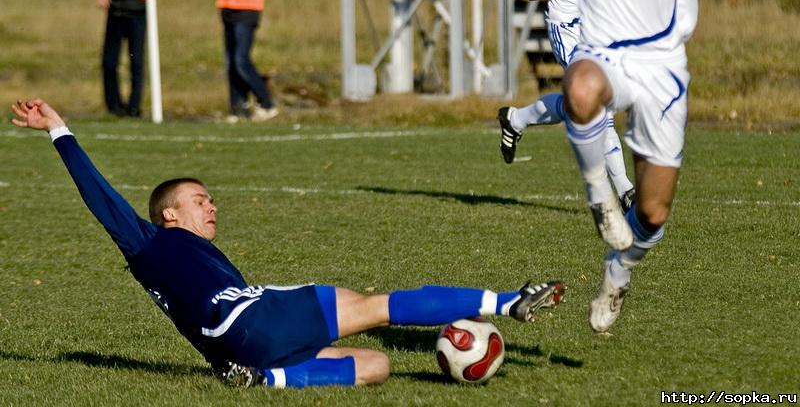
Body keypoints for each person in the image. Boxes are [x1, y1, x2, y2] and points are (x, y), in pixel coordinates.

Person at [10, 98, 565, 388]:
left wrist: (233, 359)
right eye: (199, 199)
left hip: (235, 347)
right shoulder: (151, 243)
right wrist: (60, 130)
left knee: (376, 367)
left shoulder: (182, 265)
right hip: (254, 320)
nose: (212, 205)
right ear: (169, 214)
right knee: (377, 306)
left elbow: (200, 325)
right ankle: (506, 303)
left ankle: (266, 378)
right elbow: (102, 199)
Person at [453, 0, 741, 332]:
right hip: (604, 50)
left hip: (662, 67)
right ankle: (599, 195)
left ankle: (618, 270)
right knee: (581, 89)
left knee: (653, 215)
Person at [498, 0, 635, 214]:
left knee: (583, 107)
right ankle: (625, 191)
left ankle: (516, 119)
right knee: (598, 107)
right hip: (566, 28)